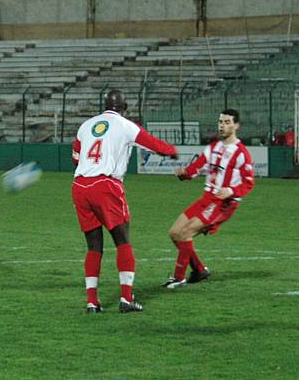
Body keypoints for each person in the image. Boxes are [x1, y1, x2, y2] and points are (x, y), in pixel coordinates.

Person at [71, 89, 177, 314]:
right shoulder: (126, 126)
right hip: (106, 186)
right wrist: (172, 151)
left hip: (80, 186)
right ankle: (126, 299)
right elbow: (154, 144)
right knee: (123, 241)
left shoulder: (85, 125)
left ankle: (92, 302)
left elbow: (75, 158)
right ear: (124, 107)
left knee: (94, 246)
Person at [163, 108, 254, 288]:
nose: (222, 125)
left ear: (236, 126)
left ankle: (178, 278)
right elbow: (196, 168)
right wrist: (184, 174)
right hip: (207, 198)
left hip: (223, 203)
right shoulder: (213, 147)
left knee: (186, 232)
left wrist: (231, 191)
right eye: (220, 121)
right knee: (174, 232)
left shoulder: (241, 153)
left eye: (227, 122)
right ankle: (198, 270)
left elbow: (248, 183)